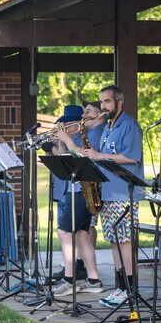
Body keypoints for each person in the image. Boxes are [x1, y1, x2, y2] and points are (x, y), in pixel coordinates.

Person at [82, 85, 144, 308]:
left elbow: (131, 157)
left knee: (125, 243)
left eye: (107, 102)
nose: (103, 106)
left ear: (119, 102)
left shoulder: (130, 126)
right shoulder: (109, 126)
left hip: (123, 194)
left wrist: (99, 155)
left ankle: (131, 289)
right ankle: (121, 288)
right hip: (108, 194)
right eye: (101, 102)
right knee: (115, 243)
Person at [50, 104, 105, 295]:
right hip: (79, 188)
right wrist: (63, 139)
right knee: (81, 235)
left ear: (99, 115)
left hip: (84, 189)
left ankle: (69, 279)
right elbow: (67, 157)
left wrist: (66, 139)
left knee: (64, 232)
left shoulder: (98, 132)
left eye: (88, 112)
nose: (84, 115)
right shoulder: (91, 132)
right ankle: (93, 280)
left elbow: (83, 156)